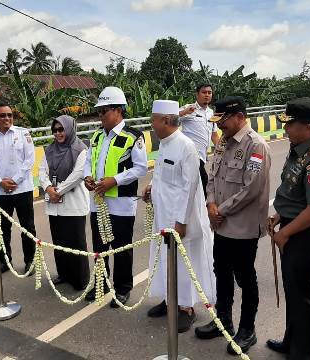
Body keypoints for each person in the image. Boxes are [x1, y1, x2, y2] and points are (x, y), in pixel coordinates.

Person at [195, 96, 271, 355]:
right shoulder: (222, 144)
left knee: (245, 278)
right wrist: (211, 204)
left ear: (239, 116)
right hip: (221, 224)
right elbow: (212, 177)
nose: (220, 127)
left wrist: (220, 210)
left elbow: (252, 188)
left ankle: (247, 330)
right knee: (222, 273)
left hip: (243, 227)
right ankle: (223, 321)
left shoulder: (256, 146)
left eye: (223, 121)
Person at [267, 98, 310, 360]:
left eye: (290, 125)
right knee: (293, 293)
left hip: (306, 234)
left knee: (304, 299)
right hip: (294, 227)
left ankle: (302, 354)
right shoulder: (301, 147)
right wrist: (278, 215)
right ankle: (291, 341)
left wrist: (284, 233)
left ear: (308, 127)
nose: (286, 130)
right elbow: (294, 192)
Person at [143, 100, 215, 333]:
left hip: (180, 218)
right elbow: (163, 173)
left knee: (184, 263)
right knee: (164, 258)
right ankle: (169, 300)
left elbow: (190, 185)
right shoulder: (164, 144)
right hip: (163, 214)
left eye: (154, 119)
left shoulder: (186, 146)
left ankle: (186, 308)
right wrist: (151, 186)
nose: (151, 123)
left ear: (165, 120)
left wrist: (181, 221)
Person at [83, 86, 148, 307]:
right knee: (99, 247)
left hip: (121, 202)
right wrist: (87, 177)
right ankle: (100, 283)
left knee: (121, 247)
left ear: (118, 110)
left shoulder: (133, 136)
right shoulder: (96, 136)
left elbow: (140, 168)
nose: (100, 116)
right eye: (99, 112)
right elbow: (87, 162)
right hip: (98, 201)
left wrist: (115, 180)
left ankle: (122, 288)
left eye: (104, 111)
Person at [0, 103, 36, 274]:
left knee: (27, 227)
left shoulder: (23, 133)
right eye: (3, 115)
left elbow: (29, 160)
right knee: (2, 228)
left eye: (10, 115)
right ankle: (5, 262)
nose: (7, 118)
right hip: (0, 191)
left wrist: (14, 180)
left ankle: (30, 262)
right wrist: (0, 182)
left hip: (23, 188)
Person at [39, 115, 90, 290]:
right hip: (55, 205)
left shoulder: (81, 149)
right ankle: (64, 274)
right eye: (55, 130)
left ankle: (80, 279)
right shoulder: (50, 150)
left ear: (69, 128)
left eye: (61, 129)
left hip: (74, 205)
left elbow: (77, 175)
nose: (58, 133)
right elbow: (41, 172)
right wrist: (48, 188)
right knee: (59, 242)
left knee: (76, 243)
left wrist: (57, 191)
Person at [178, 84, 220, 193]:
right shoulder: (189, 108)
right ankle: (206, 208)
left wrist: (221, 149)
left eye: (209, 93)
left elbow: (214, 134)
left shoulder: (211, 112)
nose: (207, 95)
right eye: (204, 92)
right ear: (197, 94)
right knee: (205, 185)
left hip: (202, 156)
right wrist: (184, 112)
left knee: (196, 189)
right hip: (190, 155)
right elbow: (169, 118)